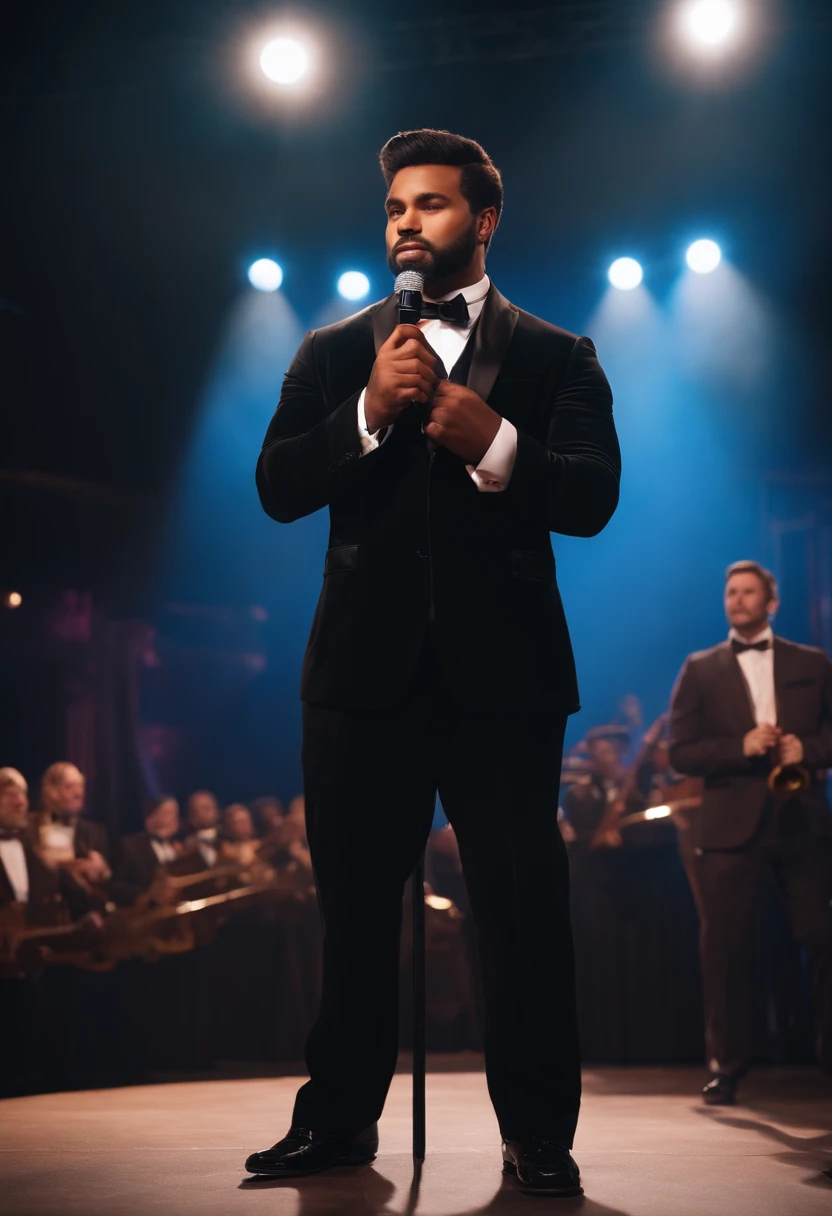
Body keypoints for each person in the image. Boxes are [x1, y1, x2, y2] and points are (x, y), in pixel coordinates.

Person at [247, 128, 620, 1196]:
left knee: (520, 915)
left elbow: (592, 497)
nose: (406, 222)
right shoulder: (332, 351)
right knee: (354, 912)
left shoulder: (557, 353)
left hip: (503, 683)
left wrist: (491, 439)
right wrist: (367, 413)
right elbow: (276, 484)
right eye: (395, 208)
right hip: (360, 679)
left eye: (431, 205)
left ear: (484, 220)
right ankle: (337, 1122)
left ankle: (538, 1131)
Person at [669, 560, 832, 1105]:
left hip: (800, 821)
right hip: (729, 825)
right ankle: (726, 1066)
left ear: (772, 601)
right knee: (725, 948)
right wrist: (737, 747)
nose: (736, 600)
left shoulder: (813, 661)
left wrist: (805, 750)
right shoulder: (700, 667)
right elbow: (679, 752)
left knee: (821, 939)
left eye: (748, 592)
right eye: (731, 592)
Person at [30, 762, 111, 892]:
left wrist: (102, 871)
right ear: (52, 791)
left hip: (82, 909)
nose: (79, 793)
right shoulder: (30, 827)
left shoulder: (94, 832)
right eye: (70, 787)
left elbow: (109, 884)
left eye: (81, 786)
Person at [114, 796, 181, 905]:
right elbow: (116, 886)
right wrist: (147, 895)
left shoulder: (180, 847)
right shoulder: (131, 846)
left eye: (176, 813)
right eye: (167, 813)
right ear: (149, 818)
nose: (174, 817)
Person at [184, 790, 222, 868]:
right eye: (202, 808)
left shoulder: (229, 837)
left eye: (210, 807)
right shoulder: (185, 845)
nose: (208, 811)